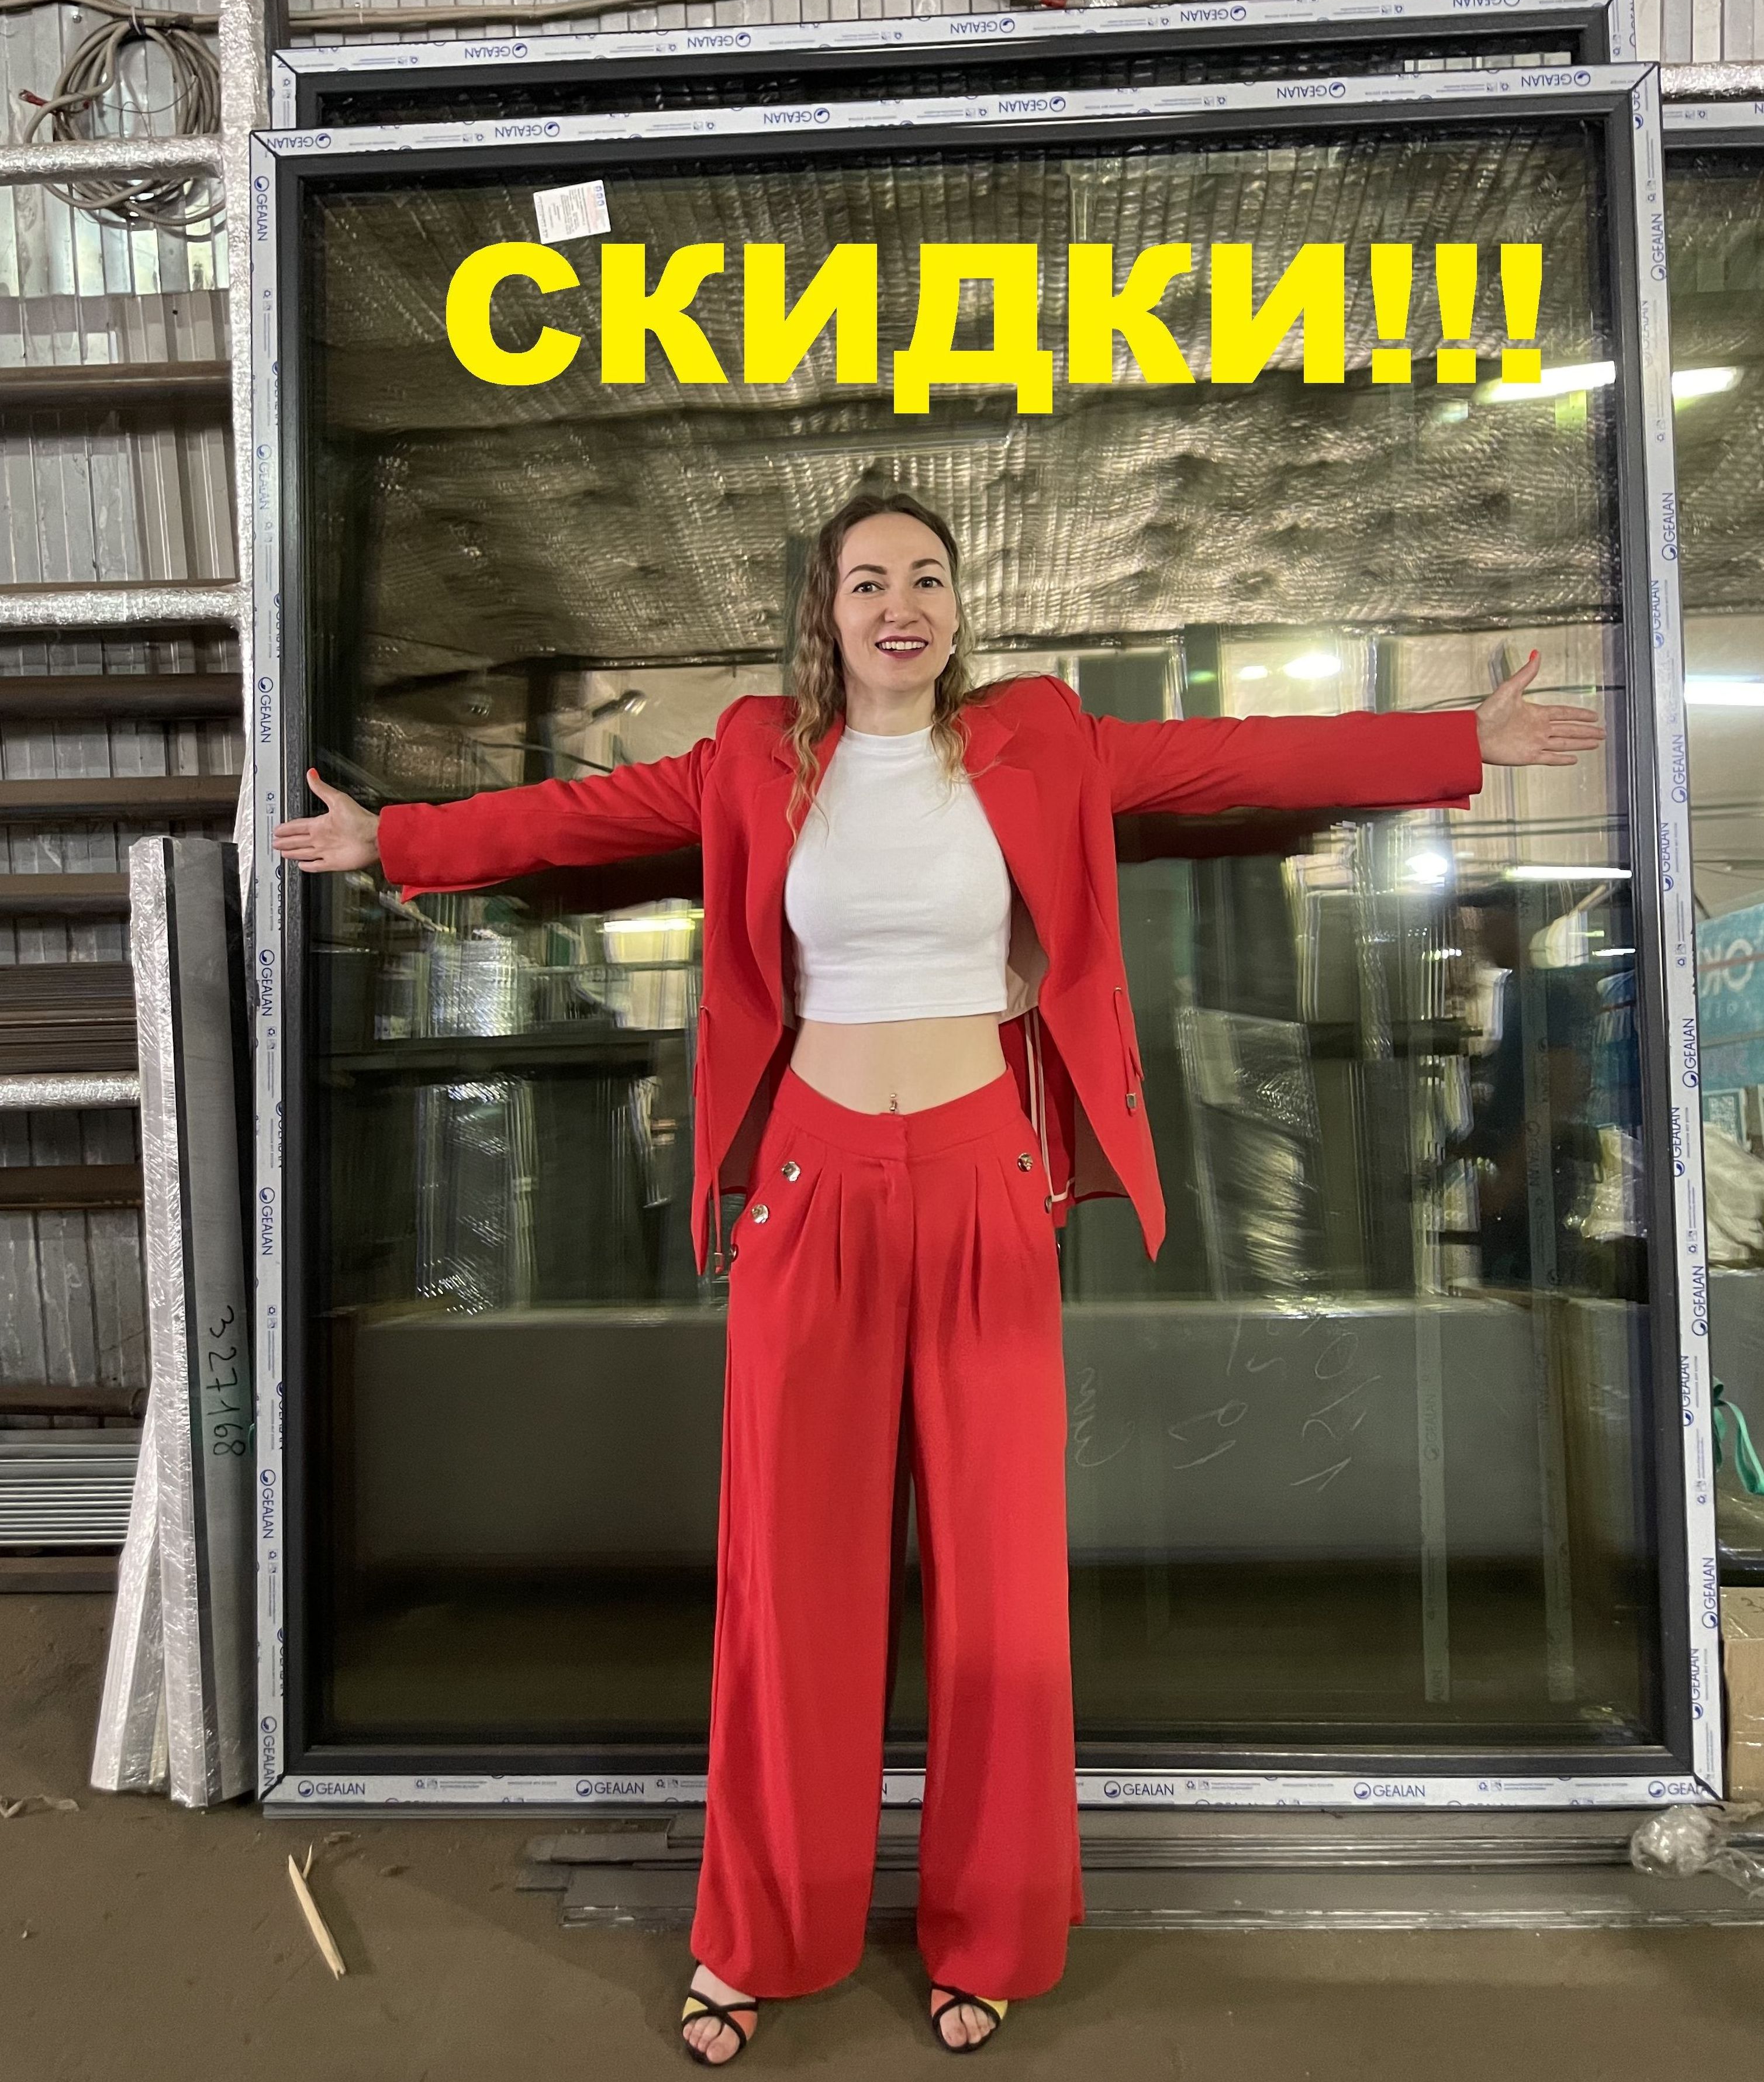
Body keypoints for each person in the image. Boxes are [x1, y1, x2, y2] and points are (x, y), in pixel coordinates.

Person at [272, 491, 1603, 2061]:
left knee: (999, 1590)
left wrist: (1456, 742)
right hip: (810, 1184)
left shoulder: (1039, 740)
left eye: (925, 577)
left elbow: (1238, 759)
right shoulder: (756, 755)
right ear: (825, 613)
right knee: (791, 1585)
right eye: (867, 581)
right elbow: (585, 817)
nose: (899, 603)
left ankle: (992, 1927)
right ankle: (759, 1935)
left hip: (985, 1176)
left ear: (957, 606)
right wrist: (396, 842)